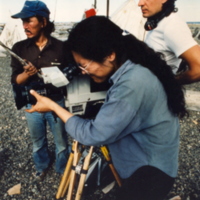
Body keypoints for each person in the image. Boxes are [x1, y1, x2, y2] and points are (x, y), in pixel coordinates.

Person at [26, 16, 187, 199]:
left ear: (110, 55)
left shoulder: (131, 84)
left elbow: (93, 135)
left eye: (84, 65)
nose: (83, 72)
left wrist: (53, 107)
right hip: (145, 160)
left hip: (149, 173)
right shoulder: (135, 68)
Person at [10, 0, 69, 178]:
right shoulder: (19, 48)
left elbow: (70, 77)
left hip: (56, 103)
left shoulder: (62, 48)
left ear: (43, 22)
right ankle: (41, 166)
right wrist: (27, 73)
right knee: (37, 141)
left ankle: (62, 169)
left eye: (29, 21)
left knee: (62, 142)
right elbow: (16, 80)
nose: (25, 26)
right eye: (23, 22)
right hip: (32, 104)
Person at [138, 0, 200, 85]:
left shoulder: (172, 25)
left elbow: (198, 69)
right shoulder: (160, 22)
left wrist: (170, 85)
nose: (140, 3)